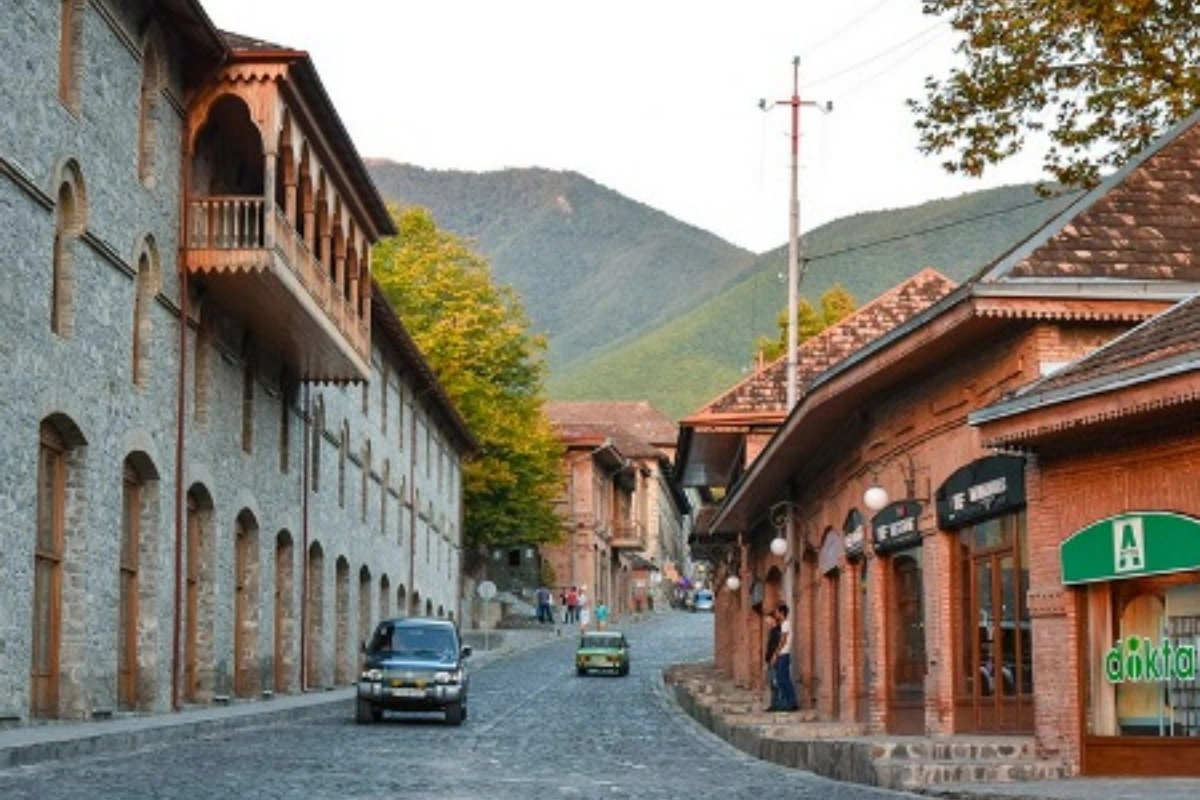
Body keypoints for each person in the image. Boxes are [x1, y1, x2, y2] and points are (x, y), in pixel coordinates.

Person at [772, 604, 800, 712]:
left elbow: (783, 639)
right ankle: (789, 702)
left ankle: (791, 702)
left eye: (777, 612)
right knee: (782, 679)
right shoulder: (783, 624)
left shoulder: (785, 624)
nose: (776, 614)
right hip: (783, 654)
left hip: (783, 654)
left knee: (783, 679)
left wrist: (776, 653)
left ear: (782, 612)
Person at [763, 607, 782, 712]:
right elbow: (769, 647)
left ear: (773, 619)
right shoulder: (772, 631)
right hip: (770, 660)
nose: (767, 622)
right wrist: (766, 661)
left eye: (768, 619)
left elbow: (776, 646)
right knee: (772, 682)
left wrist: (774, 657)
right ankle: (773, 704)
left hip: (775, 659)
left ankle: (777, 704)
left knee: (775, 682)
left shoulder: (777, 631)